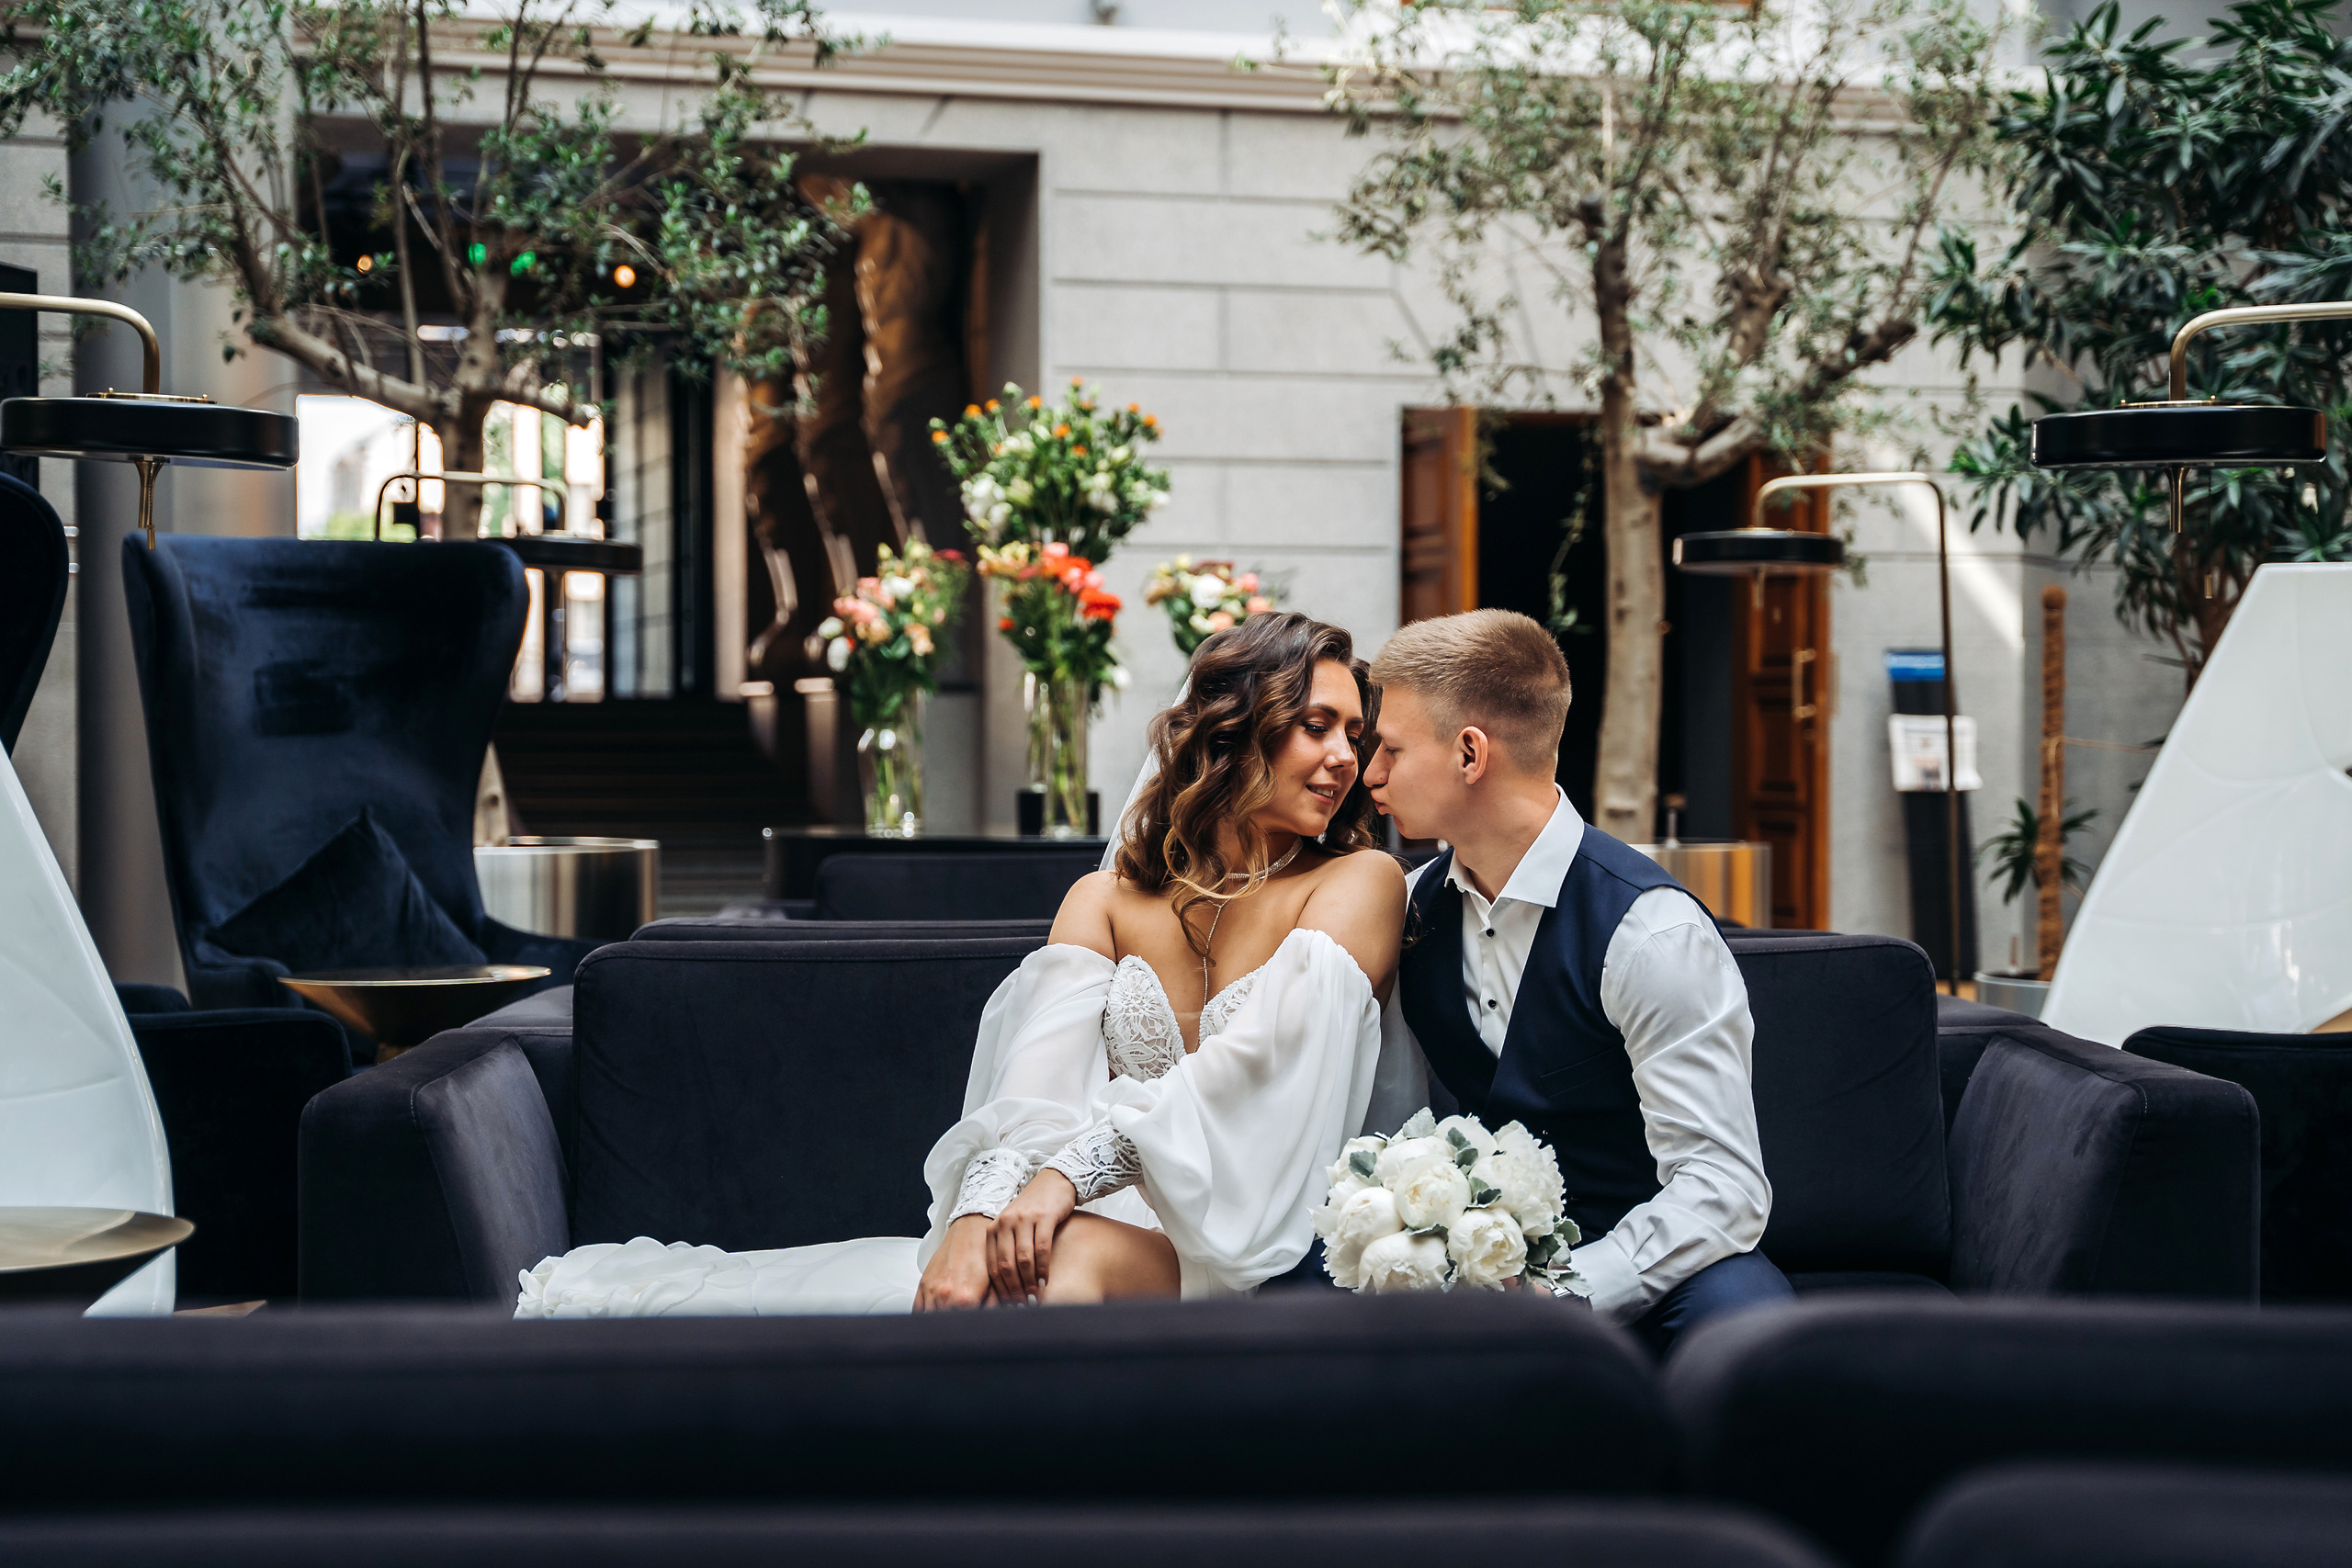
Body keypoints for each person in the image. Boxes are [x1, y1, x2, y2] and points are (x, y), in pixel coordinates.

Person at [516, 612, 1406, 1317]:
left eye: (1354, 734)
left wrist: (1061, 1182)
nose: (1342, 758)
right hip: (1097, 1212)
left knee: (1062, 1265)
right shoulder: (1104, 901)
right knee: (999, 1271)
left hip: (1249, 1213)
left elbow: (1253, 1070)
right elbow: (1036, 1087)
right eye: (1313, 725)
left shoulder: (1361, 881)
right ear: (1232, 732)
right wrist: (979, 1216)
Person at [1362, 609, 1784, 1353]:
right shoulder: (1410, 907)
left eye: (1391, 748)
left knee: (1753, 1332)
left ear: (1469, 753)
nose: (1371, 773)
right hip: (1472, 1259)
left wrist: (1564, 1290)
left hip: (1654, 1263)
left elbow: (1723, 1188)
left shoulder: (1650, 931)